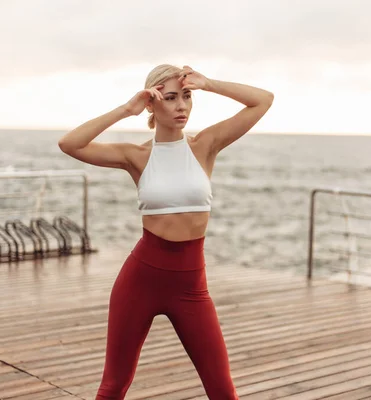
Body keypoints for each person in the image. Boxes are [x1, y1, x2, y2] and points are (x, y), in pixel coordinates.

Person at [58, 64, 273, 399]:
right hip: (141, 280)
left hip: (191, 287)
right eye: (170, 98)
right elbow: (70, 143)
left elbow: (263, 101)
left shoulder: (205, 144)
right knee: (114, 384)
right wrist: (125, 110)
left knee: (221, 388)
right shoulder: (136, 155)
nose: (181, 106)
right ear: (151, 104)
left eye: (186, 96)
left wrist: (210, 83)